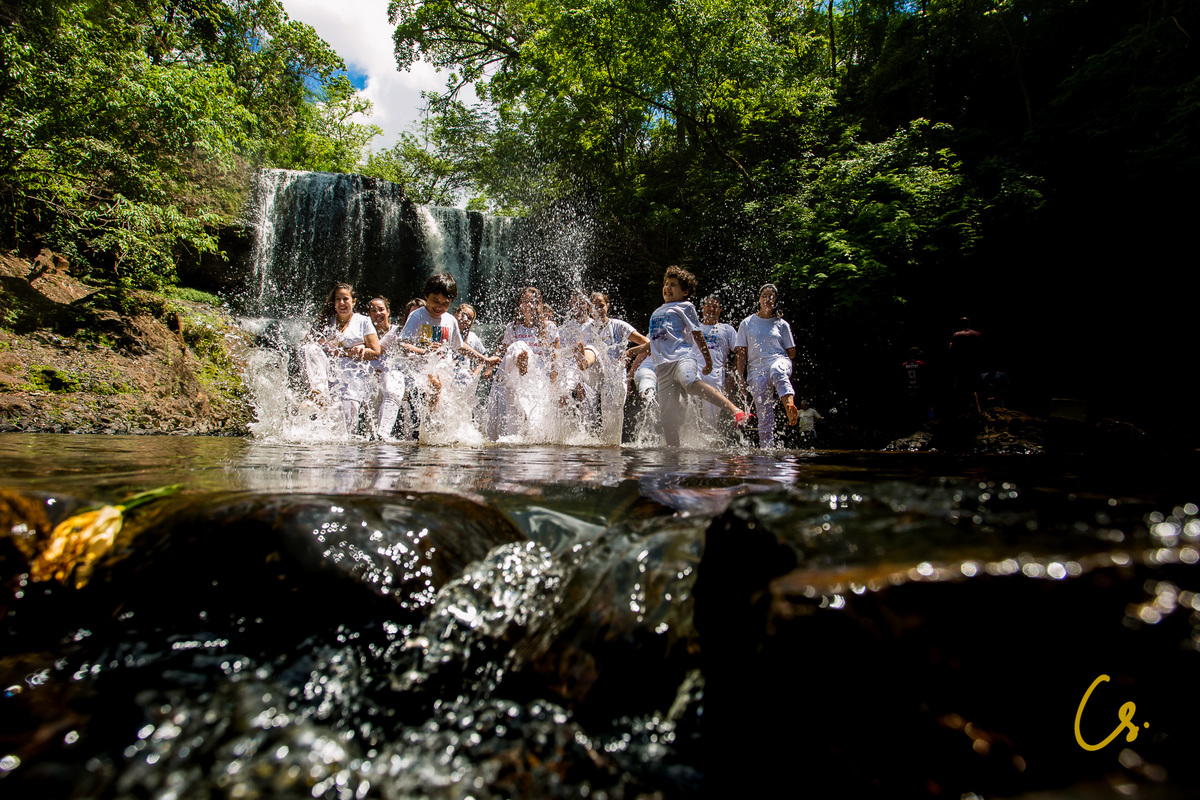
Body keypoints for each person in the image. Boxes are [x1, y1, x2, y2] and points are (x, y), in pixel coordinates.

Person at [628, 266, 748, 447]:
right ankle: (673, 455)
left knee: (690, 383)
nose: (667, 288)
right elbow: (655, 341)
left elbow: (697, 335)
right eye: (666, 284)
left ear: (684, 292)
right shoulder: (658, 311)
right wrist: (634, 350)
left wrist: (708, 362)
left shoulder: (685, 306)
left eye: (673, 285)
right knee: (668, 418)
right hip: (663, 369)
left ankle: (734, 410)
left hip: (682, 359)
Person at [400, 273, 497, 417]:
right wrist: (423, 351)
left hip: (445, 375)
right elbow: (403, 344)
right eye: (435, 301)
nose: (439, 307)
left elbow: (460, 346)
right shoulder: (417, 316)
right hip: (420, 377)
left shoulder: (450, 320)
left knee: (444, 412)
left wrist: (485, 359)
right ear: (426, 295)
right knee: (424, 409)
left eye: (445, 303)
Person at [300, 283, 380, 434]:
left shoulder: (363, 321)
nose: (342, 303)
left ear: (354, 301)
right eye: (338, 299)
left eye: (345, 299)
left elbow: (376, 352)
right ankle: (319, 393)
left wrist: (357, 350)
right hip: (327, 373)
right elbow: (305, 345)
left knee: (347, 428)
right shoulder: (324, 322)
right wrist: (322, 342)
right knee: (309, 348)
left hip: (352, 375)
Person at [485, 286, 561, 440]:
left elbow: (555, 358)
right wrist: (490, 366)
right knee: (517, 347)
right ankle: (521, 362)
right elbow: (501, 349)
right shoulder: (512, 327)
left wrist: (555, 383)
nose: (529, 305)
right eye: (525, 301)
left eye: (533, 302)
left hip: (538, 376)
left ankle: (525, 362)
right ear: (519, 305)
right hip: (515, 376)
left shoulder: (549, 328)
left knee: (532, 416)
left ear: (539, 305)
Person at [735, 283, 799, 448]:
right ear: (759, 299)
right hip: (756, 370)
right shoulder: (747, 323)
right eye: (764, 295)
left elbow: (791, 353)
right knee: (764, 414)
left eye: (771, 296)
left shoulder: (782, 324)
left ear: (776, 300)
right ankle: (767, 451)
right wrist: (740, 378)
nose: (767, 299)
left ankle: (789, 406)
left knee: (777, 370)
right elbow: (741, 353)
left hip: (780, 361)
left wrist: (774, 350)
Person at [698, 294, 738, 433]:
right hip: (694, 376)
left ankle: (709, 451)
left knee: (710, 422)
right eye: (708, 305)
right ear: (702, 308)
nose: (711, 309)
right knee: (689, 413)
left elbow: (740, 351)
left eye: (715, 307)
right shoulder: (695, 328)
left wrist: (732, 377)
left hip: (715, 379)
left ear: (720, 310)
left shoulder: (727, 329)